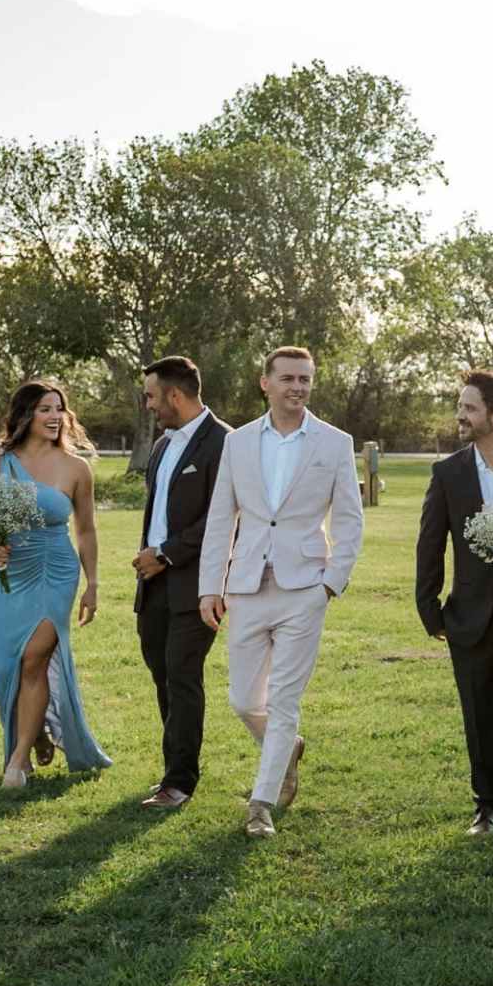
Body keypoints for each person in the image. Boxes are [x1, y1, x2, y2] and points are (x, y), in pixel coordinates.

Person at [197, 345, 362, 839]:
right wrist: (211, 586)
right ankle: (285, 747)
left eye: (305, 380)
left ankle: (260, 803)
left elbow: (350, 521)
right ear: (264, 382)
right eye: (288, 378)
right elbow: (222, 516)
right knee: (245, 701)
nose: (297, 387)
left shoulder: (334, 443)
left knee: (285, 699)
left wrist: (330, 583)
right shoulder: (239, 442)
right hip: (246, 585)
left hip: (304, 588)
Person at [412, 369, 493, 837]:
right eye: (460, 405)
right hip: (466, 617)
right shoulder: (447, 472)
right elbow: (430, 544)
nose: (459, 415)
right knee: (479, 711)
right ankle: (484, 806)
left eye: (468, 407)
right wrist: (430, 610)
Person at [0, 378, 108, 788]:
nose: (54, 416)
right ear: (24, 415)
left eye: (59, 408)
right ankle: (38, 732)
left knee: (34, 657)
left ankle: (17, 760)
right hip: (8, 575)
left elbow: (86, 530)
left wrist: (93, 583)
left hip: (54, 571)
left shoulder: (76, 468)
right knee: (2, 666)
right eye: (45, 408)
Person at [127, 357, 226, 810]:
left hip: (198, 586)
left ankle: (180, 782)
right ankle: (173, 770)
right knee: (162, 673)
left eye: (150, 396)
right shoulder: (164, 445)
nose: (147, 405)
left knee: (183, 675)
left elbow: (225, 519)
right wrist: (151, 558)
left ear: (175, 395)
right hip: (154, 584)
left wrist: (166, 553)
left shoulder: (225, 443)